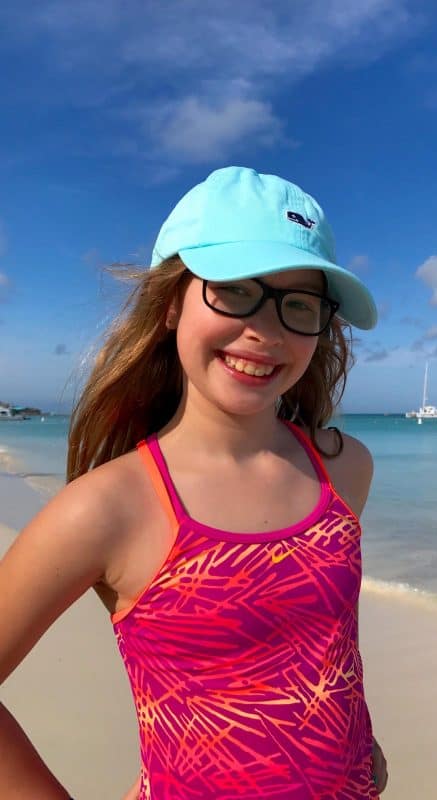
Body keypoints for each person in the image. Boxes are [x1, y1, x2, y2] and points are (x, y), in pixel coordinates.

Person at [0, 166, 388, 799]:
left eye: (299, 304)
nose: (266, 330)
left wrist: (354, 742)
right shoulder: (108, 508)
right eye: (234, 290)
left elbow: (318, 644)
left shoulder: (345, 470)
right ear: (171, 302)